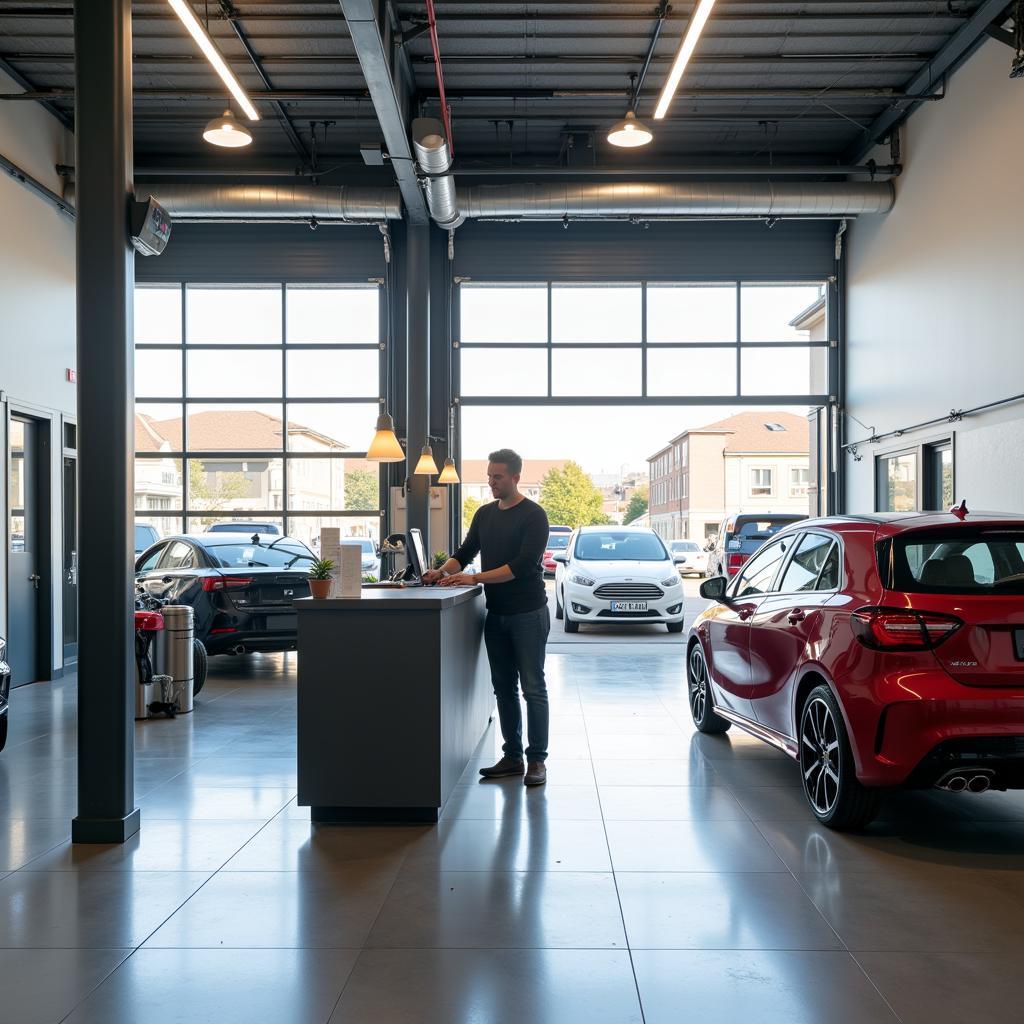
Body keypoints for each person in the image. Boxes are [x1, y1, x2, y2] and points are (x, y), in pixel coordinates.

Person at [424, 449, 551, 786]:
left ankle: (537, 760)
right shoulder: (484, 514)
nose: (491, 482)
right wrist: (441, 571)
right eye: (489, 476)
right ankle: (512, 757)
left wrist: (474, 578)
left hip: (528, 612)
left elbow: (523, 565)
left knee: (533, 688)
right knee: (503, 688)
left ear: (515, 478)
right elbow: (465, 553)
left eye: (497, 477)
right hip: (497, 614)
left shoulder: (534, 515)